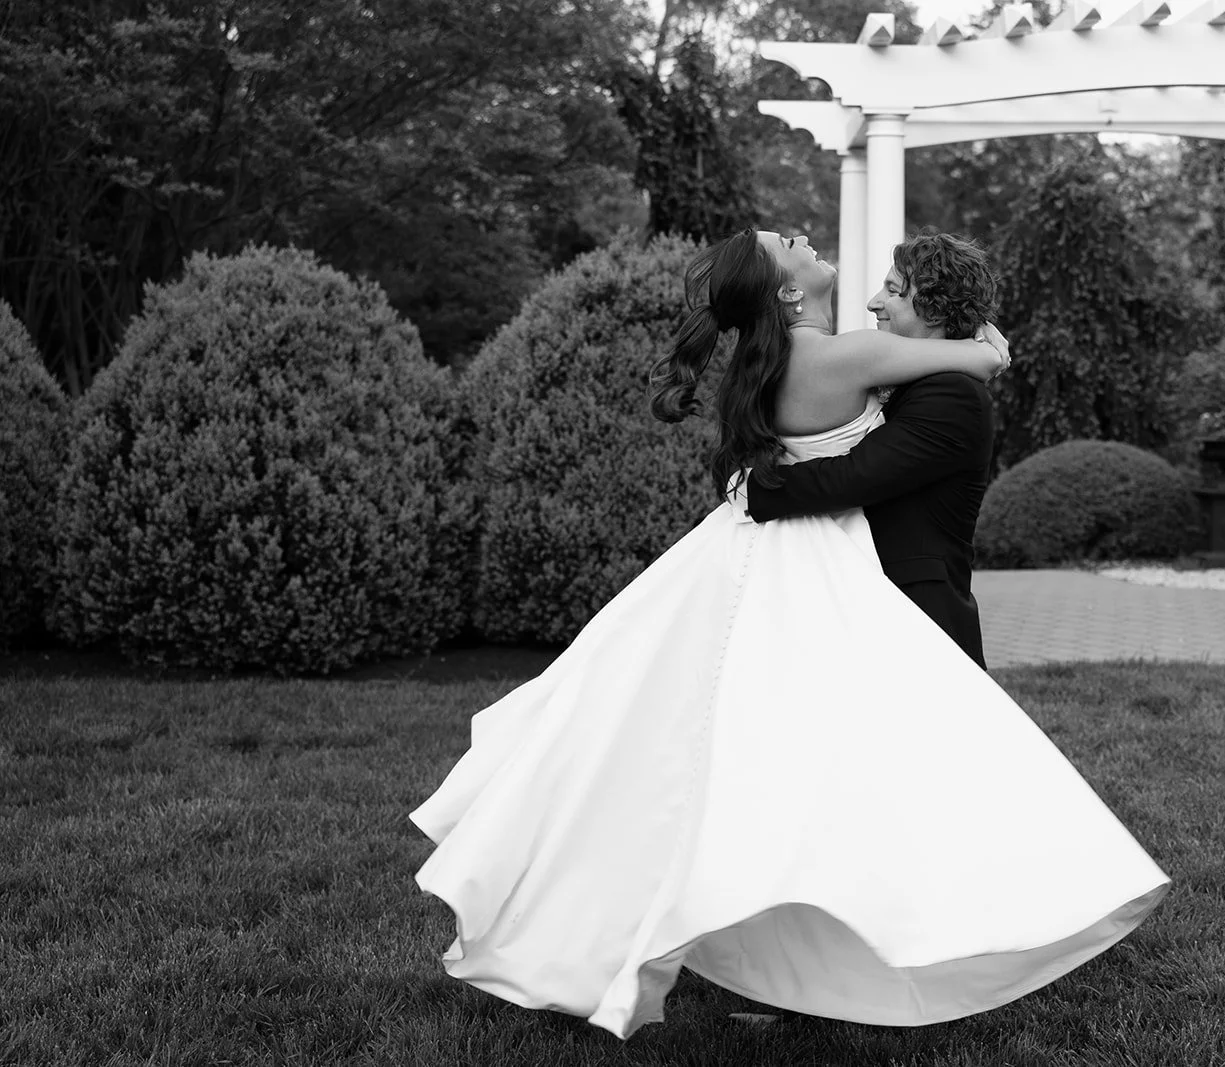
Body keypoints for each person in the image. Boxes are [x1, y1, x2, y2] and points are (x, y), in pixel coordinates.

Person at [409, 227, 1169, 1041]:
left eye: (894, 284)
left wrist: (755, 485)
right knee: (801, 774)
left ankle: (785, 937)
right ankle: (827, 944)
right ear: (788, 293)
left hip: (780, 559)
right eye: (790, 243)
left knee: (749, 765)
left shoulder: (788, 356)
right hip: (806, 567)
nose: (807, 238)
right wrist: (984, 346)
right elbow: (980, 361)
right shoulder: (841, 355)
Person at [745, 232, 999, 666]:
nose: (873, 302)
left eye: (894, 291)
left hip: (919, 620)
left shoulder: (953, 396)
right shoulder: (897, 380)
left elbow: (853, 477)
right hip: (856, 604)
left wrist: (756, 488)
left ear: (935, 309)